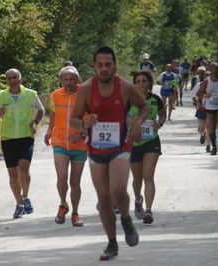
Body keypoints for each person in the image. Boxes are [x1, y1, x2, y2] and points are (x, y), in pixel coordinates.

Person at [70, 46, 150, 261]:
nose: (104, 69)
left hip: (120, 146)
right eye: (100, 65)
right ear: (94, 67)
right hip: (96, 149)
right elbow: (74, 119)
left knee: (117, 189)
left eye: (108, 65)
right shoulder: (86, 89)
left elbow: (144, 107)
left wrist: (138, 122)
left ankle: (125, 217)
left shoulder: (124, 87)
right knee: (104, 200)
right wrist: (84, 122)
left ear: (114, 65)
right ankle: (112, 243)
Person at [0, 68, 44, 218]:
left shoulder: (31, 94)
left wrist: (35, 122)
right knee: (13, 173)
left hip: (26, 137)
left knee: (24, 168)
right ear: (6, 81)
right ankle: (18, 204)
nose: (12, 80)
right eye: (9, 78)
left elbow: (41, 110)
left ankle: (25, 197)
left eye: (15, 77)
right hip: (8, 138)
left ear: (21, 79)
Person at [44, 66, 86, 227]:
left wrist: (83, 134)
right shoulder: (55, 95)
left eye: (72, 79)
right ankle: (63, 204)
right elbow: (53, 115)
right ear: (61, 81)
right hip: (60, 142)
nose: (69, 83)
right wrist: (48, 131)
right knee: (62, 178)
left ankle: (75, 212)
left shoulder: (84, 95)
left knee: (75, 182)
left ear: (78, 80)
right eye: (65, 79)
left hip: (79, 144)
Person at [129, 70, 166, 224]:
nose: (141, 84)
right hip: (133, 143)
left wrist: (160, 122)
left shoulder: (156, 99)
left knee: (148, 176)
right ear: (134, 84)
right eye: (138, 81)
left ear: (149, 83)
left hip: (151, 141)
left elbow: (162, 114)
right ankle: (138, 200)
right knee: (137, 179)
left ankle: (149, 211)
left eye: (144, 81)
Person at [197, 62, 218, 155]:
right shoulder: (206, 81)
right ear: (209, 70)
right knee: (211, 127)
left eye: (216, 69)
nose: (214, 71)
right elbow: (198, 93)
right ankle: (214, 147)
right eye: (212, 69)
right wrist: (205, 95)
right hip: (210, 106)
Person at [190, 69, 212, 153]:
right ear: (203, 78)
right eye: (206, 77)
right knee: (201, 128)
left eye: (209, 78)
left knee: (209, 127)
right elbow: (192, 95)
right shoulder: (199, 85)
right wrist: (197, 103)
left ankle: (208, 146)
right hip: (201, 109)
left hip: (211, 109)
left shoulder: (213, 86)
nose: (207, 79)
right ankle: (203, 134)